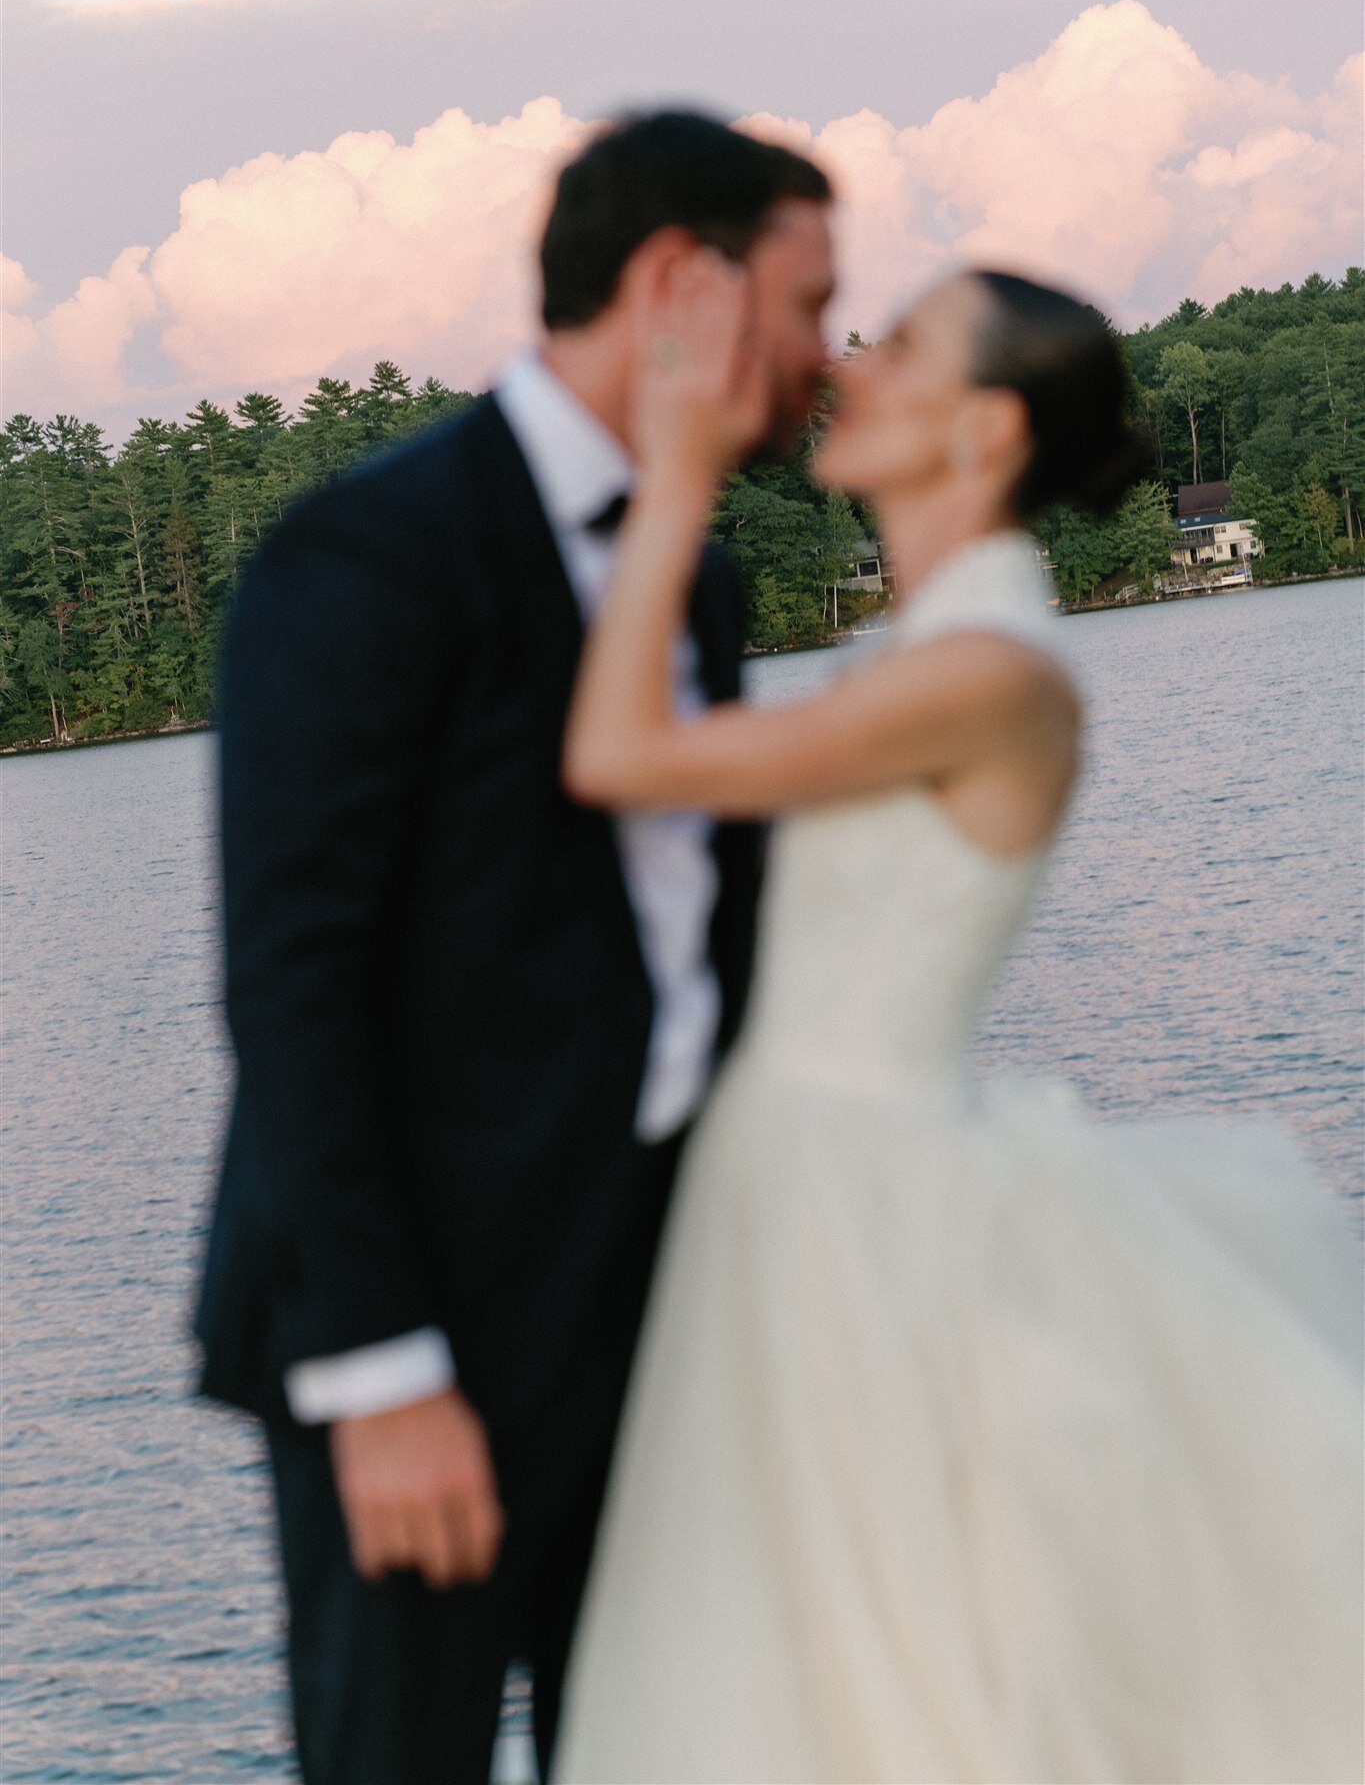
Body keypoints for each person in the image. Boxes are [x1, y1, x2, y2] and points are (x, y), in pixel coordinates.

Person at [553, 259, 1364, 1784]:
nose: (850, 361)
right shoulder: (927, 655)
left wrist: (667, 475)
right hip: (785, 1186)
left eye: (900, 343)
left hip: (866, 1212)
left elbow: (615, 753)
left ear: (984, 431)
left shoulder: (989, 675)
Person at [192, 110, 836, 1785]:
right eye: (805, 303)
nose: (822, 357)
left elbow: (684, 960)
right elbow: (294, 985)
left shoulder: (692, 586)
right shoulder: (363, 555)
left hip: (650, 1332)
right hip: (423, 1352)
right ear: (678, 285)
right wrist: (383, 1369)